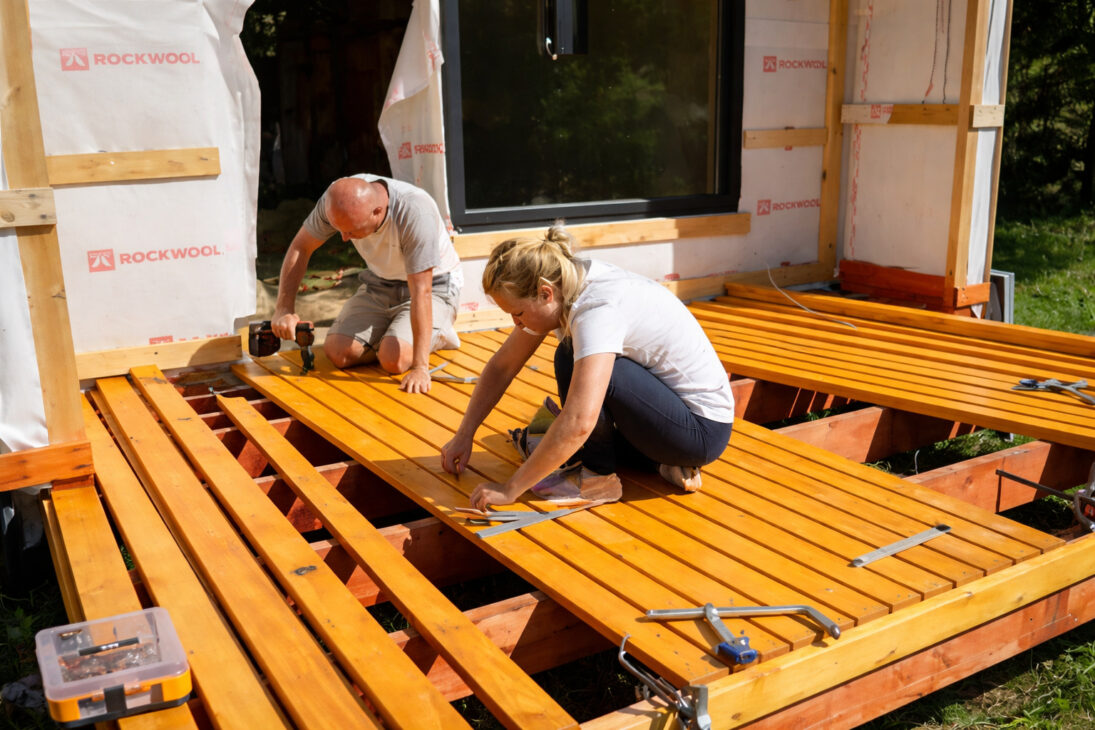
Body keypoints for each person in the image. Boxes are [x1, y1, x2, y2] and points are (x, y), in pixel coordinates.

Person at [440, 224, 734, 510]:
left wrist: (510, 489)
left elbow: (580, 421)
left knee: (570, 357)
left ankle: (598, 480)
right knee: (572, 370)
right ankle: (659, 463)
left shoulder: (597, 310)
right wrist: (465, 434)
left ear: (546, 293)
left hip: (701, 431)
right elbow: (502, 367)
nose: (516, 324)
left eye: (518, 314)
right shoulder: (567, 277)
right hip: (669, 414)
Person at [272, 174, 462, 393]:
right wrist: (283, 309)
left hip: (435, 285)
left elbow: (422, 291)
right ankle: (395, 335)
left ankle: (436, 333)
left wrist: (420, 367)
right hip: (380, 282)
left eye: (351, 230)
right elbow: (301, 246)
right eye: (339, 229)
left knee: (394, 360)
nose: (344, 238)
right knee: (338, 352)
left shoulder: (415, 211)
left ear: (378, 212)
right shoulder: (336, 200)